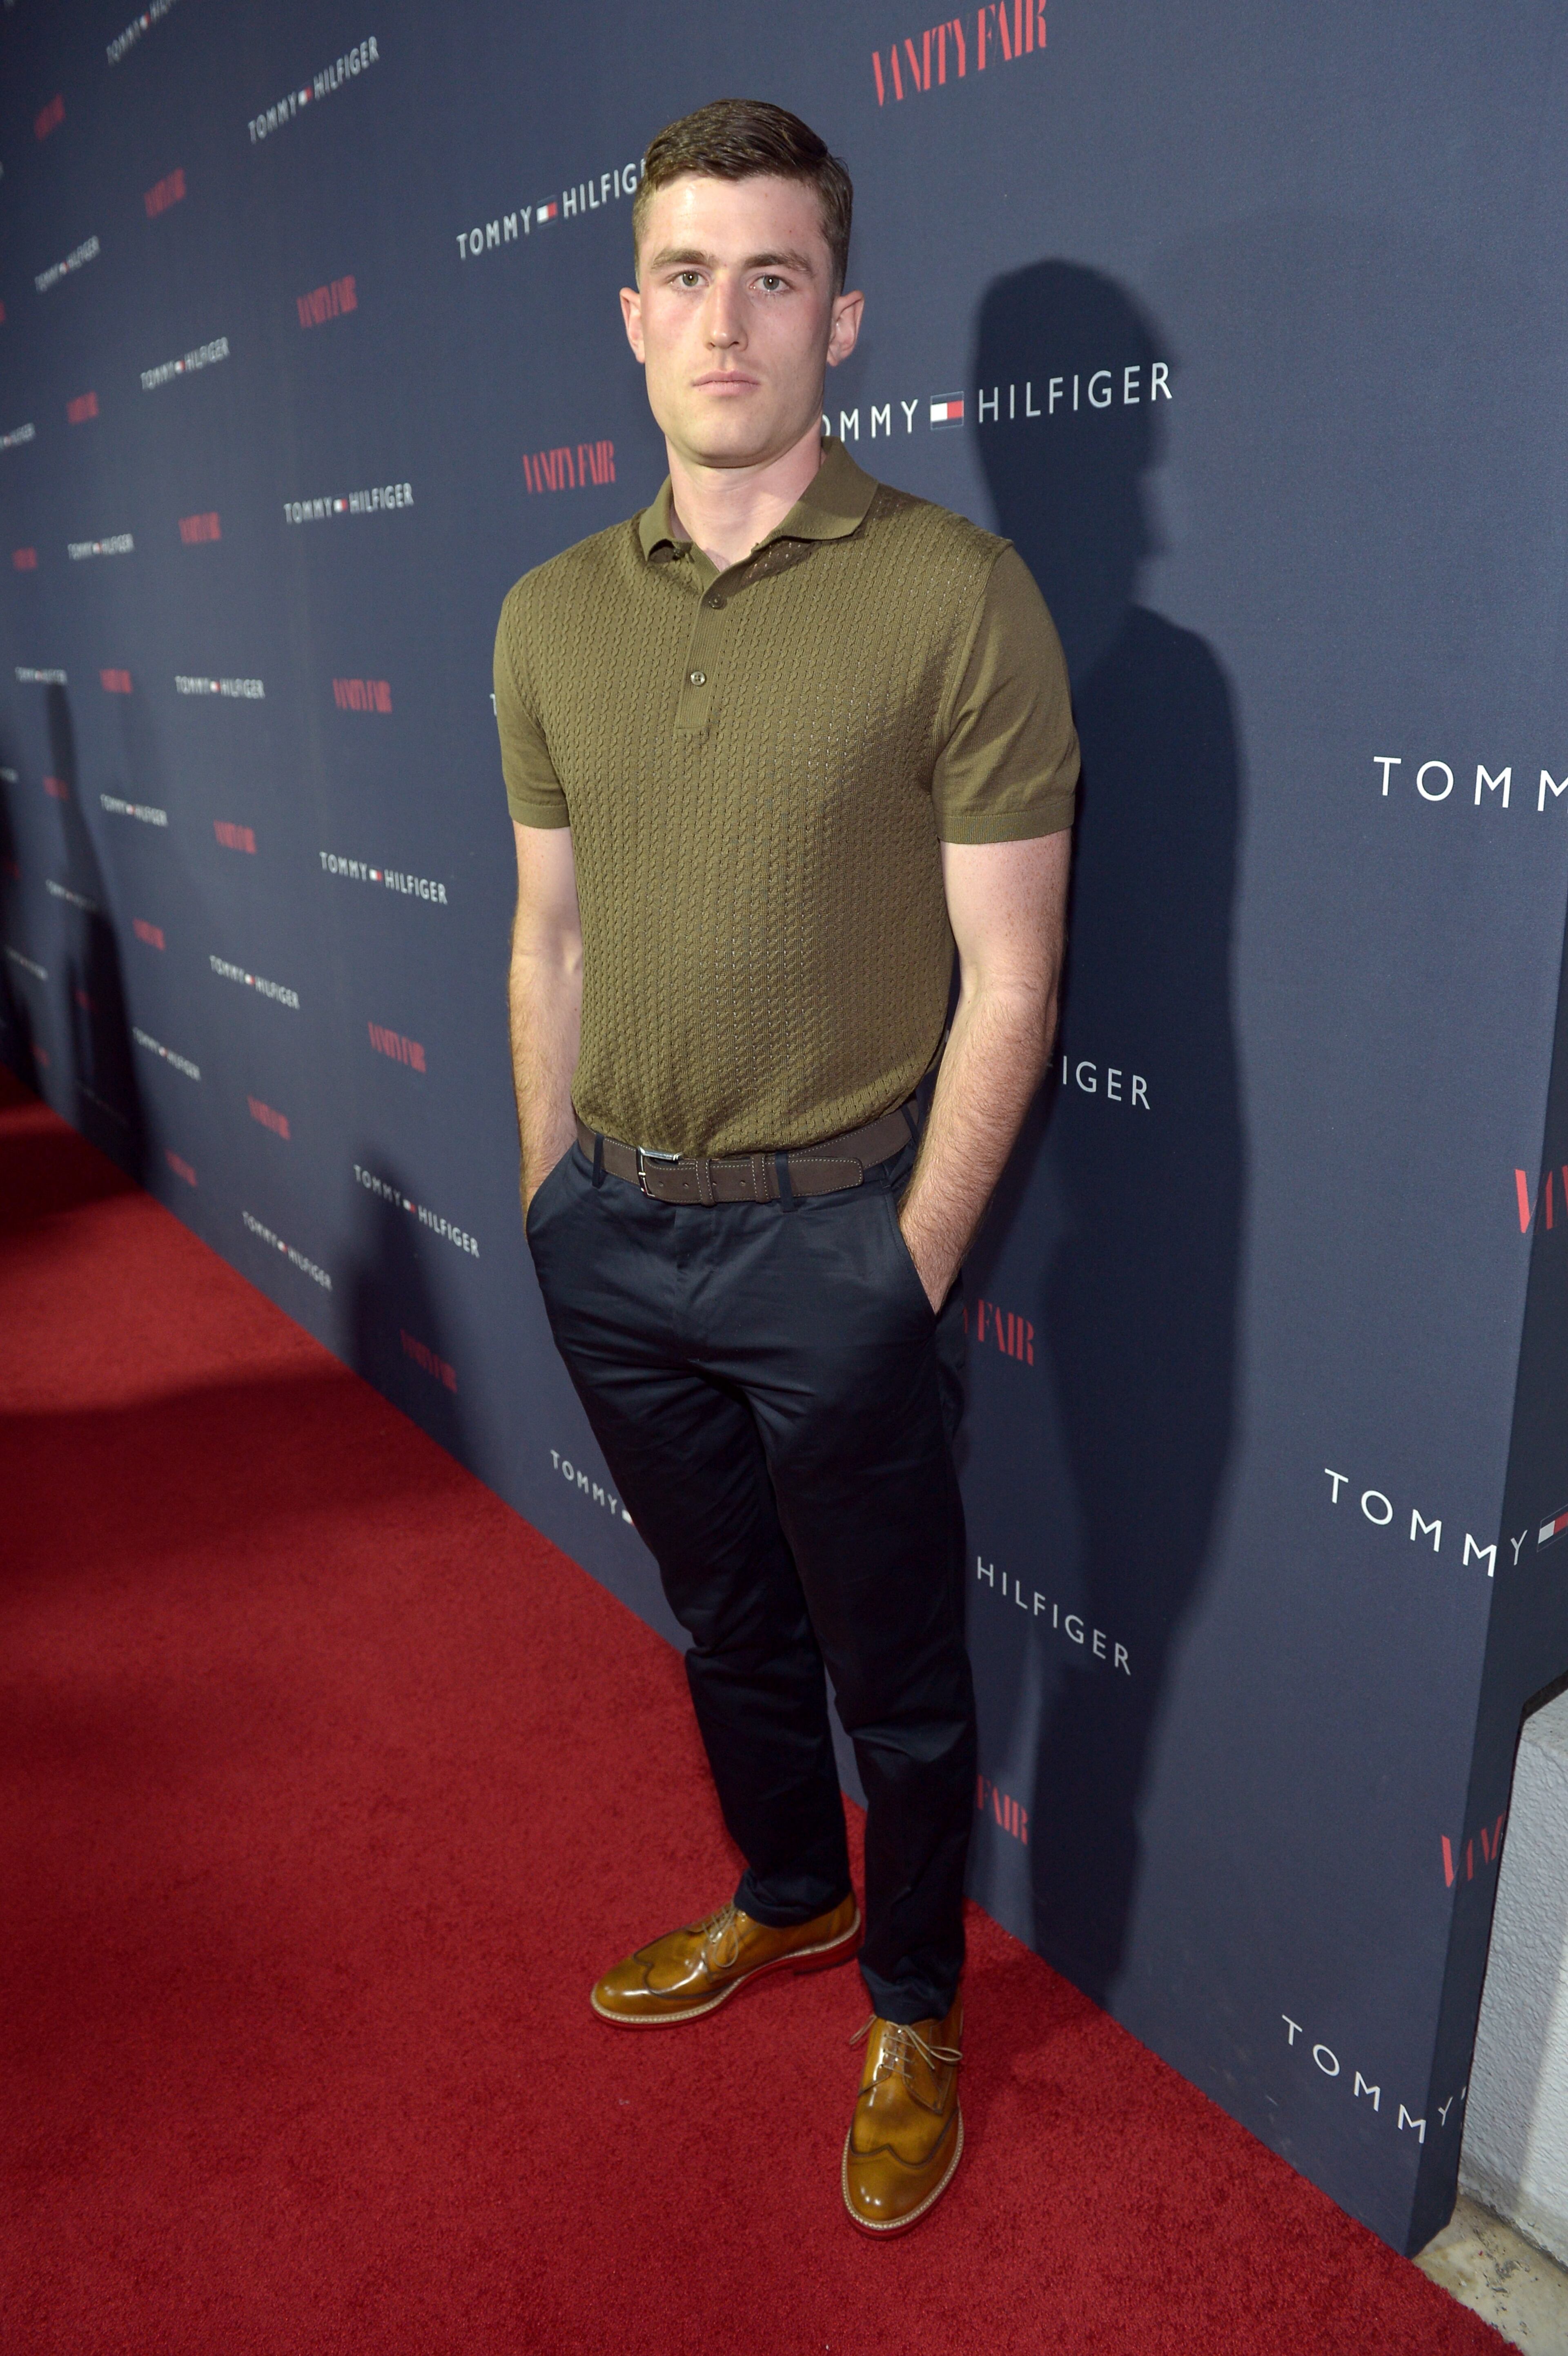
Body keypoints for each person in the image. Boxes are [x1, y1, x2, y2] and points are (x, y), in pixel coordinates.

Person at [495, 97, 1077, 2236]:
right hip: (612, 1238)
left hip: (840, 1244)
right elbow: (547, 934)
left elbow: (1015, 978)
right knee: (727, 1620)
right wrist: (553, 1190)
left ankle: (914, 2005)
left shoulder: (957, 594)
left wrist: (902, 1262)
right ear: (629, 315)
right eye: (686, 274)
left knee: (898, 1677)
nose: (724, 319)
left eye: (773, 275)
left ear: (842, 316)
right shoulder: (547, 614)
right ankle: (787, 1892)